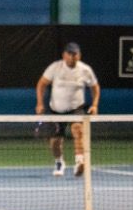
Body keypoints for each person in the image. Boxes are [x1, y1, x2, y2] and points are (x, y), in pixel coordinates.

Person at [35, 42, 101, 177]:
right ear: (64, 55)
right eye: (69, 54)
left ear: (79, 55)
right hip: (56, 110)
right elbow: (41, 84)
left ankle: (79, 162)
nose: (72, 57)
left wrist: (94, 105)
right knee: (55, 142)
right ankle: (59, 162)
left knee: (78, 130)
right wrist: (40, 103)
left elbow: (95, 87)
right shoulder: (55, 67)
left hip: (76, 108)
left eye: (75, 54)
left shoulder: (85, 70)